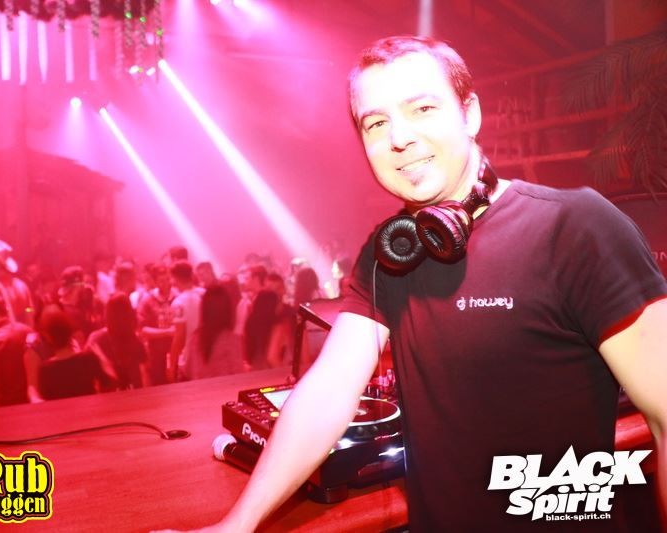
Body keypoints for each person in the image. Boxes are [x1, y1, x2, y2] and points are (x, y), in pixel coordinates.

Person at [159, 36, 667, 532]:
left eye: (422, 109)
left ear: (470, 114)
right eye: (376, 123)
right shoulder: (391, 253)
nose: (398, 138)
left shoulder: (575, 228)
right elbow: (328, 391)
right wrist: (234, 526)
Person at [185, 284, 245, 380]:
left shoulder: (195, 338)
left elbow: (188, 370)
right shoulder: (231, 340)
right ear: (227, 309)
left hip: (199, 388)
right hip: (225, 389)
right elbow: (239, 375)